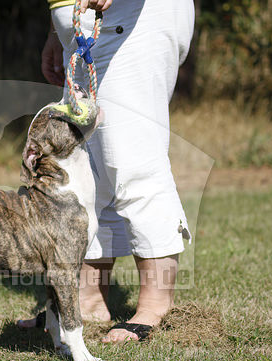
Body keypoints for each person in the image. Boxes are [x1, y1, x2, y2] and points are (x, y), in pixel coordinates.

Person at [18, 0, 195, 343]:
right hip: (83, 17)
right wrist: (58, 30)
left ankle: (156, 306)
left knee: (131, 157)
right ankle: (88, 300)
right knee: (87, 165)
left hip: (133, 15)